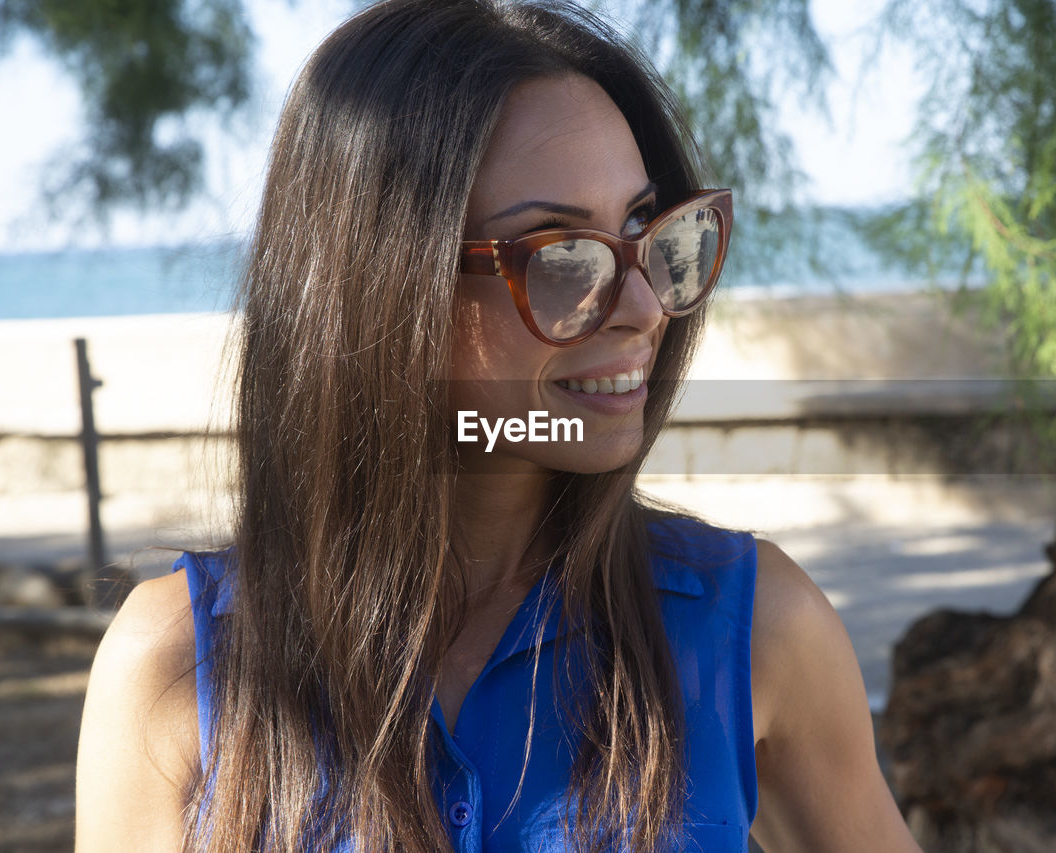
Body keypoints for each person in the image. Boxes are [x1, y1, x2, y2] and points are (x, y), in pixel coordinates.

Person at [75, 1, 922, 850]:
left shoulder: (756, 629)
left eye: (644, 228)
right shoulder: (175, 665)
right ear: (384, 285)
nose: (641, 306)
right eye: (559, 253)